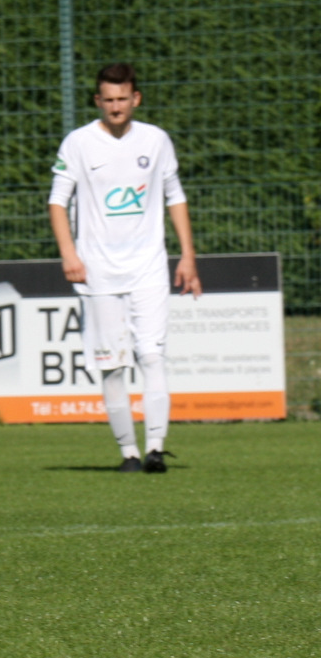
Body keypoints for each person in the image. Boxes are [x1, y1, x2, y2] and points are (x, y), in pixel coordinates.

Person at [49, 62, 200, 473]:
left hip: (148, 268)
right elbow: (57, 202)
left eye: (123, 99)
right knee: (113, 365)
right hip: (97, 272)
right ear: (98, 101)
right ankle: (128, 454)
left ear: (136, 99)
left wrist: (187, 256)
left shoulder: (156, 141)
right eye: (108, 100)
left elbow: (175, 196)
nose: (116, 107)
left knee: (152, 356)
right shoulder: (78, 143)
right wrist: (69, 254)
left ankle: (154, 449)